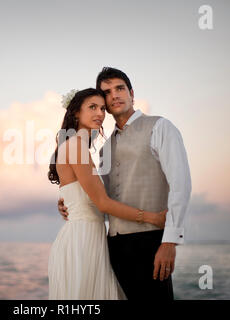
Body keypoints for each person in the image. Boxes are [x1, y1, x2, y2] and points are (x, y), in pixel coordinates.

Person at [58, 67, 192, 300]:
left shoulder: (160, 127)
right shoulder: (105, 147)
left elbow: (181, 184)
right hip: (112, 247)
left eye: (120, 88)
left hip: (150, 241)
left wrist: (170, 241)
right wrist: (72, 201)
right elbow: (106, 198)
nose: (114, 96)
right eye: (107, 93)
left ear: (131, 93)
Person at [47, 88, 167, 299]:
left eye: (102, 108)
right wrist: (153, 218)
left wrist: (68, 204)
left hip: (88, 236)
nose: (100, 113)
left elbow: (79, 194)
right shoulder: (76, 146)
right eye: (92, 107)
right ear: (76, 112)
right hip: (83, 240)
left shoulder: (75, 146)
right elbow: (102, 203)